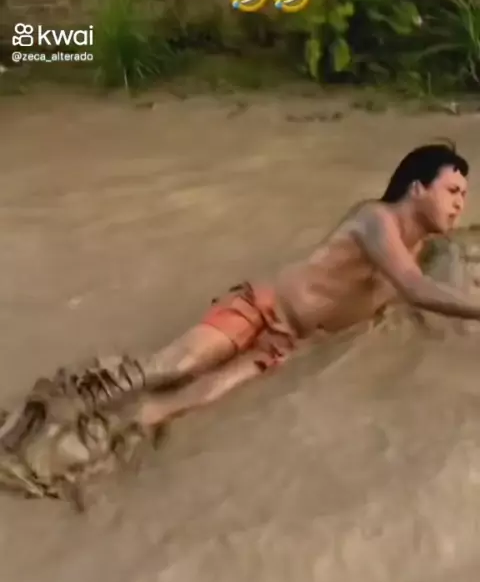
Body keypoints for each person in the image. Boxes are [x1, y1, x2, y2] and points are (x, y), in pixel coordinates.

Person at [0, 141, 474, 501]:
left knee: (182, 401)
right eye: (452, 191)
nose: (459, 203)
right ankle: (32, 424)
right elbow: (415, 288)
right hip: (262, 307)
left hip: (288, 341)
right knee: (173, 366)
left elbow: (434, 275)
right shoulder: (376, 219)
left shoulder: (419, 248)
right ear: (417, 188)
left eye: (465, 196)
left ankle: (71, 453)